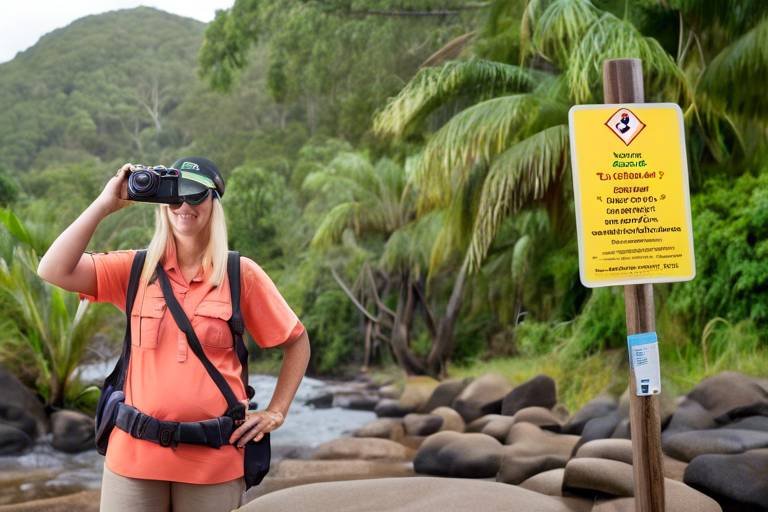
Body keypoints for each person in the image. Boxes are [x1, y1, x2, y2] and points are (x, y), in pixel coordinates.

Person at [37, 158, 311, 511]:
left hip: (213, 460)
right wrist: (105, 205)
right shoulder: (136, 269)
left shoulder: (240, 274)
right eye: (174, 196)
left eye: (195, 195)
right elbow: (53, 269)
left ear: (214, 201)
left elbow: (296, 341)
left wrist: (276, 411)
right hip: (133, 458)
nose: (183, 205)